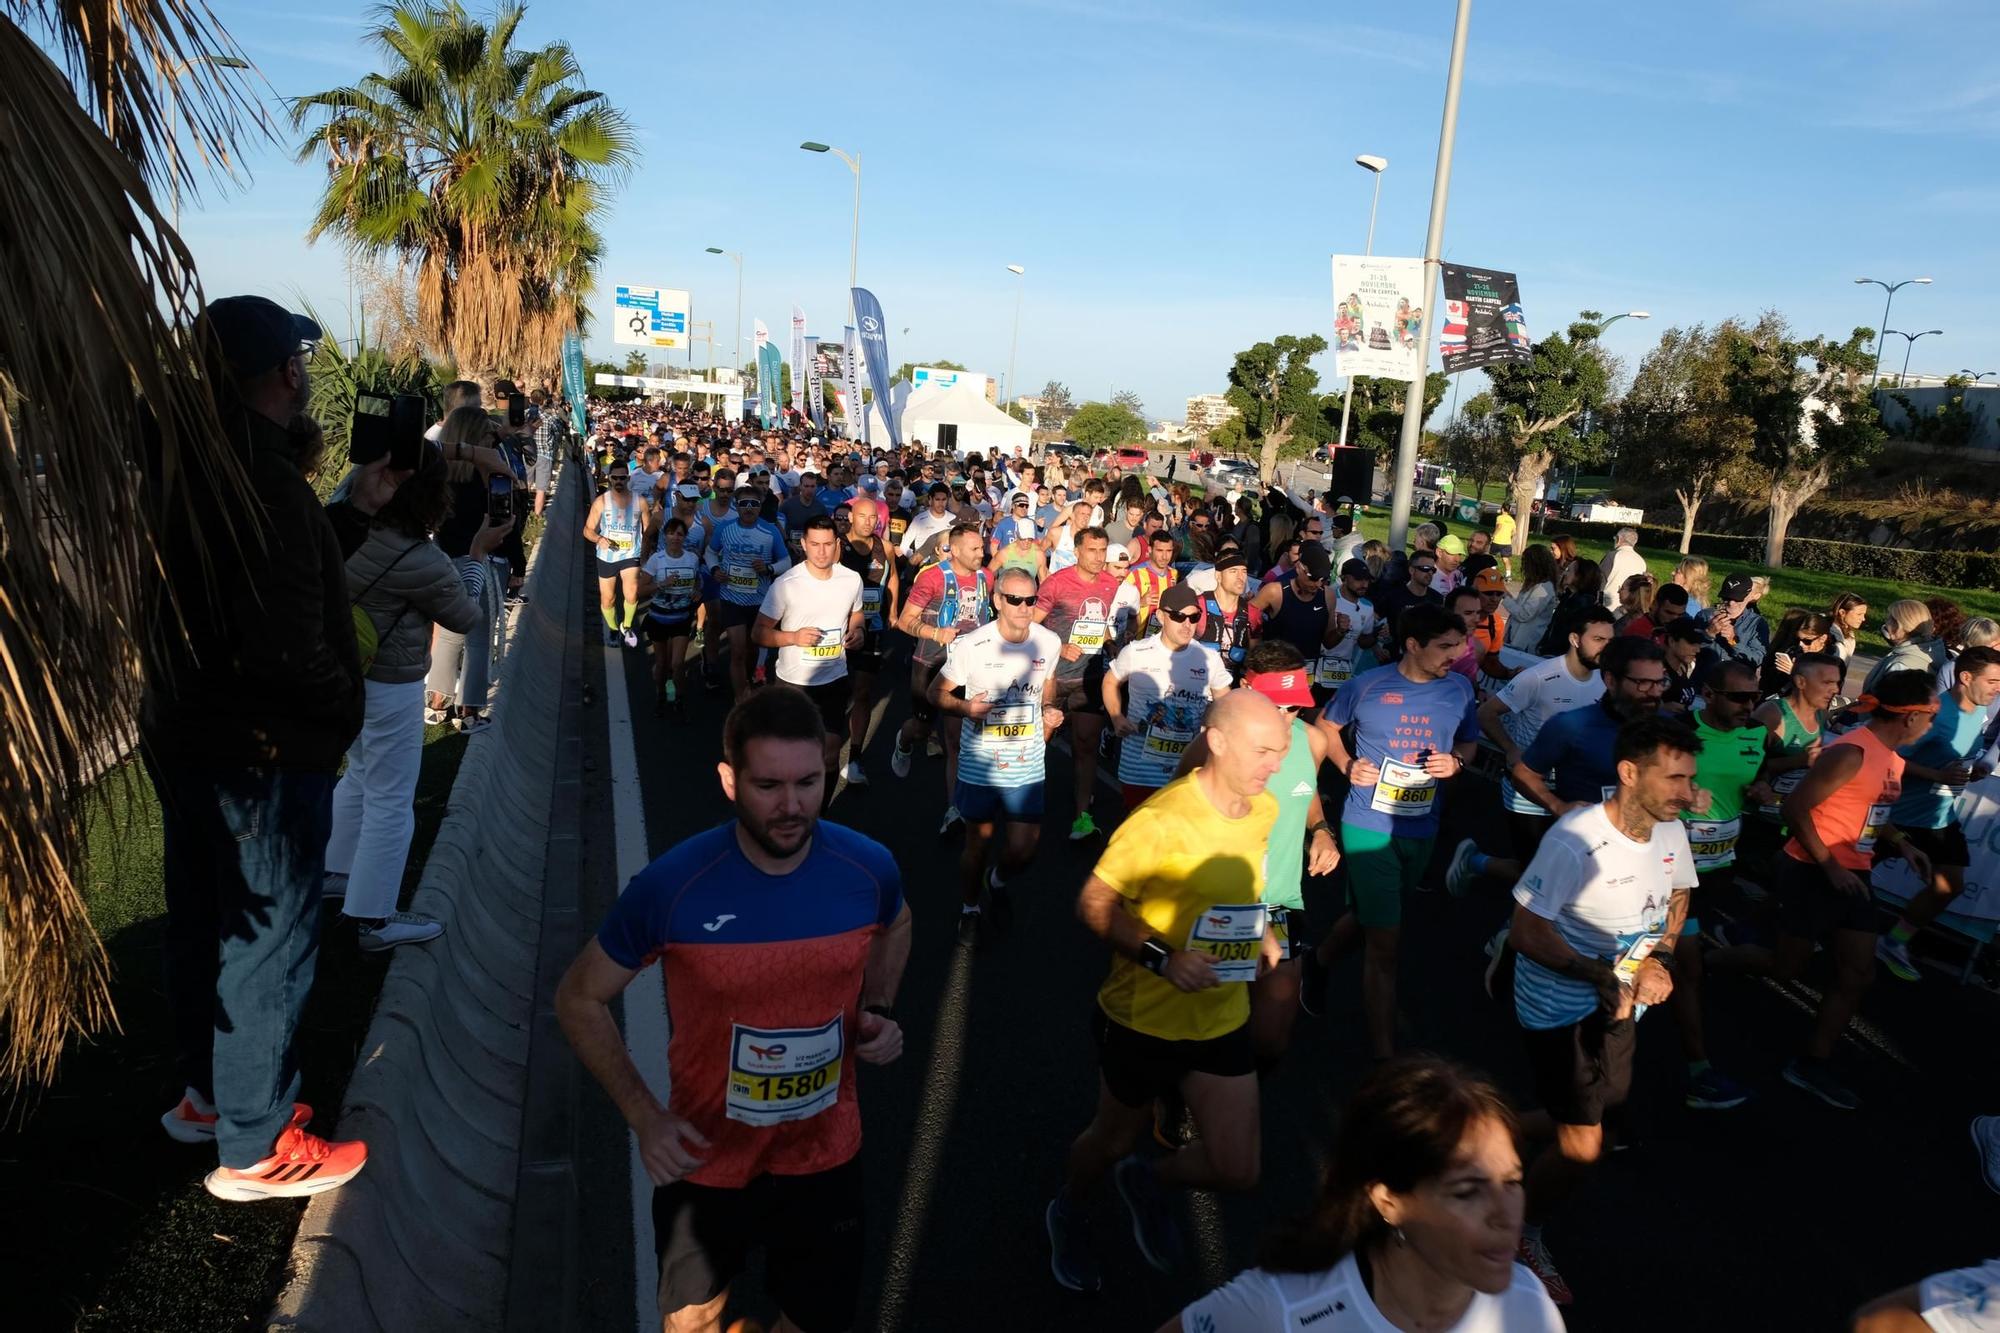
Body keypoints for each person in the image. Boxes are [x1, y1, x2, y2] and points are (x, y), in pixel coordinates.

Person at [554, 687, 911, 1333]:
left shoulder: (867, 867)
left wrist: (878, 1005)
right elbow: (578, 996)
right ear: (728, 780)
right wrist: (645, 1118)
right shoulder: (674, 885)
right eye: (768, 784)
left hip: (825, 1155)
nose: (793, 805)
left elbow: (897, 921)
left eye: (809, 781)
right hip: (707, 1157)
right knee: (691, 1324)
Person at [144, 295, 370, 1198]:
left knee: (203, 921)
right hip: (263, 755)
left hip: (189, 737)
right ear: (284, 372)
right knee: (269, 941)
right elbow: (282, 644)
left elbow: (261, 586)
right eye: (301, 362)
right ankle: (254, 1143)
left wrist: (351, 515)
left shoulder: (190, 462)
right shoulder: (262, 480)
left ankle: (210, 1095)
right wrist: (337, 711)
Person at [1046, 691, 1291, 1293]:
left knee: (1239, 1168)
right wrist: (1164, 958)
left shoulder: (1263, 809)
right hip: (1143, 1019)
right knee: (1110, 1139)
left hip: (1221, 1015)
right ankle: (1069, 1208)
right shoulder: (1159, 820)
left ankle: (1150, 1182)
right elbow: (1093, 904)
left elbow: (1244, 883)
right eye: (1264, 751)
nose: (1275, 766)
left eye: (1281, 753)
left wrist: (1265, 932)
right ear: (1218, 741)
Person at [1509, 715, 1699, 1305]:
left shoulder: (1670, 828)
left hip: (1621, 1005)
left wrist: (1660, 958)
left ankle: (1481, 1132)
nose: (1687, 794)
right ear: (1628, 773)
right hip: (1557, 1006)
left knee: (1602, 1110)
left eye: (1690, 780)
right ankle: (1522, 1233)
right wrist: (1600, 974)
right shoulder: (1575, 840)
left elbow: (1678, 895)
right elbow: (1527, 932)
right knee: (1583, 1144)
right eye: (1674, 780)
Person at [1164, 1056, 1561, 1332]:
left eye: (1512, 1182)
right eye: (1468, 1191)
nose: (1506, 1214)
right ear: (1389, 1202)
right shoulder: (1281, 1307)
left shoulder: (1529, 1305)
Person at [1708, 670, 1940, 1111]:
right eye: (1931, 715)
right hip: (1811, 871)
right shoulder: (1852, 752)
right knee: (1784, 968)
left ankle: (1812, 1062)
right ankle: (1707, 961)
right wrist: (1830, 867)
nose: (1933, 725)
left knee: (1858, 973)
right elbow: (1795, 809)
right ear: (1910, 716)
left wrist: (1901, 843)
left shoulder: (1891, 756)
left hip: (1854, 876)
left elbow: (1865, 808)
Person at [326, 441, 507, 951]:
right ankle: (374, 917)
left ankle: (334, 871)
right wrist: (476, 556)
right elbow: (465, 616)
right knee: (391, 800)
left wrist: (463, 450)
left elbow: (413, 450)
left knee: (360, 776)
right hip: (391, 684)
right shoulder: (416, 557)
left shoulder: (343, 524)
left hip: (346, 673)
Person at [1302, 605, 1480, 1059]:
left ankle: (1317, 963)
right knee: (1387, 941)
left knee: (1372, 916)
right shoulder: (1367, 685)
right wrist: (1346, 764)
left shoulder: (1460, 688)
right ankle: (1386, 1060)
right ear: (1413, 645)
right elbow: (1326, 725)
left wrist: (1457, 761)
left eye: (1459, 645)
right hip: (1367, 823)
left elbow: (1469, 740)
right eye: (1445, 646)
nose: (1456, 654)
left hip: (1422, 823)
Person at [1173, 643, 1338, 1065]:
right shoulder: (1214, 745)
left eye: (1293, 709)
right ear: (1245, 690)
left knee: (1271, 1040)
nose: (1284, 720)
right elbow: (1174, 807)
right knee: (1204, 1025)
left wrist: (1320, 831)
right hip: (1219, 903)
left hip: (1282, 903)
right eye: (1275, 706)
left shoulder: (1314, 741)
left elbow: (1306, 794)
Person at [932, 566, 1065, 947]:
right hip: (981, 763)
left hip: (1027, 761)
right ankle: (970, 908)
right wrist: (964, 709)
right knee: (979, 843)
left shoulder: (1048, 642)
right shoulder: (971, 645)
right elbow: (936, 695)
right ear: (997, 601)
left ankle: (998, 881)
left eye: (1031, 600)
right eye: (1015, 600)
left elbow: (1048, 682)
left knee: (1025, 847)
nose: (1024, 608)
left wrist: (1050, 707)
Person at [1665, 660, 1768, 1111]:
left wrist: (1763, 785)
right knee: (1679, 966)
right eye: (1739, 697)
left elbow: (1761, 768)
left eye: (1754, 697)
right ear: (1709, 693)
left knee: (1685, 968)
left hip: (1715, 870)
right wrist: (1682, 797)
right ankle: (1698, 1071)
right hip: (1666, 872)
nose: (1749, 706)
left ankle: (1697, 1072)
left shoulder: (1758, 735)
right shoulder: (1677, 731)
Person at [1875, 645, 2000, 980]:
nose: (1998, 688)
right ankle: (1771, 924)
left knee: (1949, 885)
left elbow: (1953, 761)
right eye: (1993, 681)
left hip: (1939, 817)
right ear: (1965, 677)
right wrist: (1936, 775)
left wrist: (1972, 771)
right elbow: (1888, 758)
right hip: (1896, 816)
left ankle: (1893, 941)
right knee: (1832, 877)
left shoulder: (1977, 712)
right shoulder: (1936, 713)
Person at [1462, 606, 1616, 878]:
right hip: (1527, 788)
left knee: (1561, 867)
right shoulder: (1539, 677)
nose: (1605, 647)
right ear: (1575, 639)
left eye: (1610, 641)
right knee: (1534, 869)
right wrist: (1511, 749)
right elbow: (1485, 714)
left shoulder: (1605, 682)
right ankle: (1477, 865)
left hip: (1573, 787)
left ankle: (1477, 863)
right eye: (1598, 639)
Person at [891, 523, 991, 832]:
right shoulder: (932, 576)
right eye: (975, 549)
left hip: (968, 667)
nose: (982, 553)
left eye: (982, 548)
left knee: (955, 741)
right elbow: (904, 621)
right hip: (931, 662)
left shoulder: (986, 577)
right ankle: (904, 740)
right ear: (956, 550)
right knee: (922, 728)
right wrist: (936, 633)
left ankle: (954, 810)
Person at [425, 404, 515, 729]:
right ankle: (469, 711)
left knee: (448, 636)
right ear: (479, 440)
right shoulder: (490, 478)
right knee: (478, 639)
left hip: (444, 559)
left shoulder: (437, 478)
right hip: (479, 562)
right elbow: (505, 524)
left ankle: (436, 703)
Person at [1105, 583, 1233, 811]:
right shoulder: (1136, 652)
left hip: (1186, 771)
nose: (1187, 624)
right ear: (1162, 616)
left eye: (1194, 618)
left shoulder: (1208, 659)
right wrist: (1116, 717)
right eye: (1178, 616)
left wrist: (1210, 728)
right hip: (1139, 770)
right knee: (1140, 841)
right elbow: (1110, 681)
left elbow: (1225, 703)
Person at [1035, 526, 1124, 842]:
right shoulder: (1056, 583)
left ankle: (1082, 818)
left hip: (1089, 677)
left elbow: (1100, 625)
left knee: (1086, 746)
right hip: (1053, 679)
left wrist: (1110, 643)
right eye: (1092, 550)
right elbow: (1031, 626)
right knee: (1037, 744)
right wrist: (1059, 644)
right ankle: (1022, 802)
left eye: (1103, 551)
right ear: (1076, 551)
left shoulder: (1111, 584)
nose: (1099, 557)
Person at [835, 498, 898, 787]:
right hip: (838, 630)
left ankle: (855, 757)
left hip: (872, 627)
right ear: (851, 516)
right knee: (835, 693)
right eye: (863, 516)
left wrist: (893, 610)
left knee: (862, 692)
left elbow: (893, 577)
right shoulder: (836, 545)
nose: (869, 522)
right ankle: (824, 747)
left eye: (873, 517)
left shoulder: (884, 547)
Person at [708, 484, 790, 698]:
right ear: (737, 506)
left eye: (754, 504)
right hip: (731, 597)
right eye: (744, 504)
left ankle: (750, 682)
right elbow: (709, 552)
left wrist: (769, 568)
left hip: (759, 601)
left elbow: (786, 561)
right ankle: (740, 698)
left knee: (752, 649)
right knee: (737, 651)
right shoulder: (725, 528)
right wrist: (715, 569)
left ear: (761, 505)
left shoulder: (770, 530)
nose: (749, 508)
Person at [636, 516, 703, 718]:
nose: (675, 537)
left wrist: (697, 592)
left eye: (680, 534)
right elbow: (640, 590)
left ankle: (680, 698)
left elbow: (697, 583)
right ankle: (661, 693)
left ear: (685, 537)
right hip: (658, 618)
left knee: (677, 664)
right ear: (665, 536)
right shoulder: (657, 559)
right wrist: (661, 584)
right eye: (672, 533)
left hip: (681, 618)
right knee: (662, 663)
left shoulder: (692, 559)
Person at [584, 458, 648, 647]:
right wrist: (599, 539)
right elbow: (587, 530)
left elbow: (649, 530)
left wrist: (645, 556)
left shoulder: (640, 502)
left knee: (632, 593)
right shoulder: (601, 502)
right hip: (607, 556)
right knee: (608, 598)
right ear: (610, 479)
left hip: (630, 554)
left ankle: (626, 626)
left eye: (622, 477)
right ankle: (613, 629)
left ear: (628, 478)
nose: (619, 481)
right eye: (615, 478)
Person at [1190, 551, 1262, 681]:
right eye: (1233, 571)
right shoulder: (1197, 606)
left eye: (1244, 571)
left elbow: (1254, 660)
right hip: (1197, 684)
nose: (1241, 577)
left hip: (1233, 687)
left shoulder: (1252, 613)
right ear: (1218, 576)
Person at [1863, 599, 1946, 696]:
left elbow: (1888, 704)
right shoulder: (1932, 653)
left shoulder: (1902, 665)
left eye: (1889, 619)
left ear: (1898, 626)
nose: (1886, 623)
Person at [1502, 544, 1558, 656]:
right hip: (1516, 637)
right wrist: (1506, 594)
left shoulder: (1544, 588)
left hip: (1526, 643)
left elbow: (1524, 614)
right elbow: (1520, 607)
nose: (1523, 567)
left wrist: (1506, 597)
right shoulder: (1533, 584)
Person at [1596, 527, 1646, 611]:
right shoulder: (1641, 561)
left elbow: (1599, 580)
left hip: (1606, 605)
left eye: (1615, 538)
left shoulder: (1613, 555)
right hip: (1627, 607)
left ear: (1618, 539)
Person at [1490, 508, 1518, 582]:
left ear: (1502, 509)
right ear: (1509, 510)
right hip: (1507, 542)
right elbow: (1514, 532)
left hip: (1497, 540)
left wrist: (1493, 536)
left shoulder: (1500, 517)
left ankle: (1492, 575)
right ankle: (1508, 575)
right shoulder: (1512, 520)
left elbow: (1499, 526)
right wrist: (1508, 536)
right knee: (1505, 559)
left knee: (1492, 557)